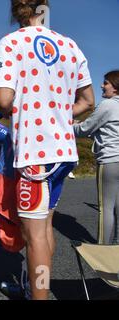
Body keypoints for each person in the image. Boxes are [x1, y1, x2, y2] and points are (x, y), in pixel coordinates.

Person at [0, 0, 95, 300]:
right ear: (44, 8)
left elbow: (3, 99)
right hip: (64, 151)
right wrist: (59, 114)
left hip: (35, 153)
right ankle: (36, 287)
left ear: (14, 11)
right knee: (45, 226)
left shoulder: (10, 42)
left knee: (35, 235)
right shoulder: (69, 45)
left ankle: (37, 295)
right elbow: (87, 100)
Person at [74, 70, 119, 245]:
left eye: (106, 82)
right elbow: (107, 131)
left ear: (115, 87)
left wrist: (70, 125)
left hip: (109, 161)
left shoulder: (107, 105)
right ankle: (116, 246)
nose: (102, 85)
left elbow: (85, 129)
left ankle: (103, 252)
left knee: (105, 207)